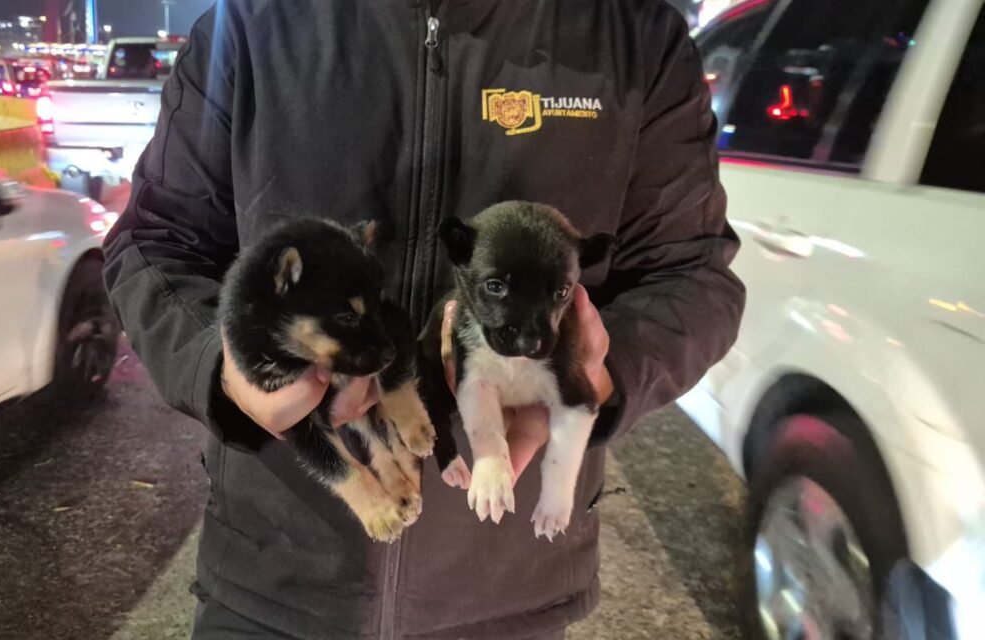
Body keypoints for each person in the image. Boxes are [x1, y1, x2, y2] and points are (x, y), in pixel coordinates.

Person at [103, 0, 745, 638]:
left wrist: (607, 374)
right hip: (274, 579)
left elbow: (692, 273)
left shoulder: (630, 35)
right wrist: (220, 365)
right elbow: (155, 241)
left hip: (507, 588)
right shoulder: (252, 22)